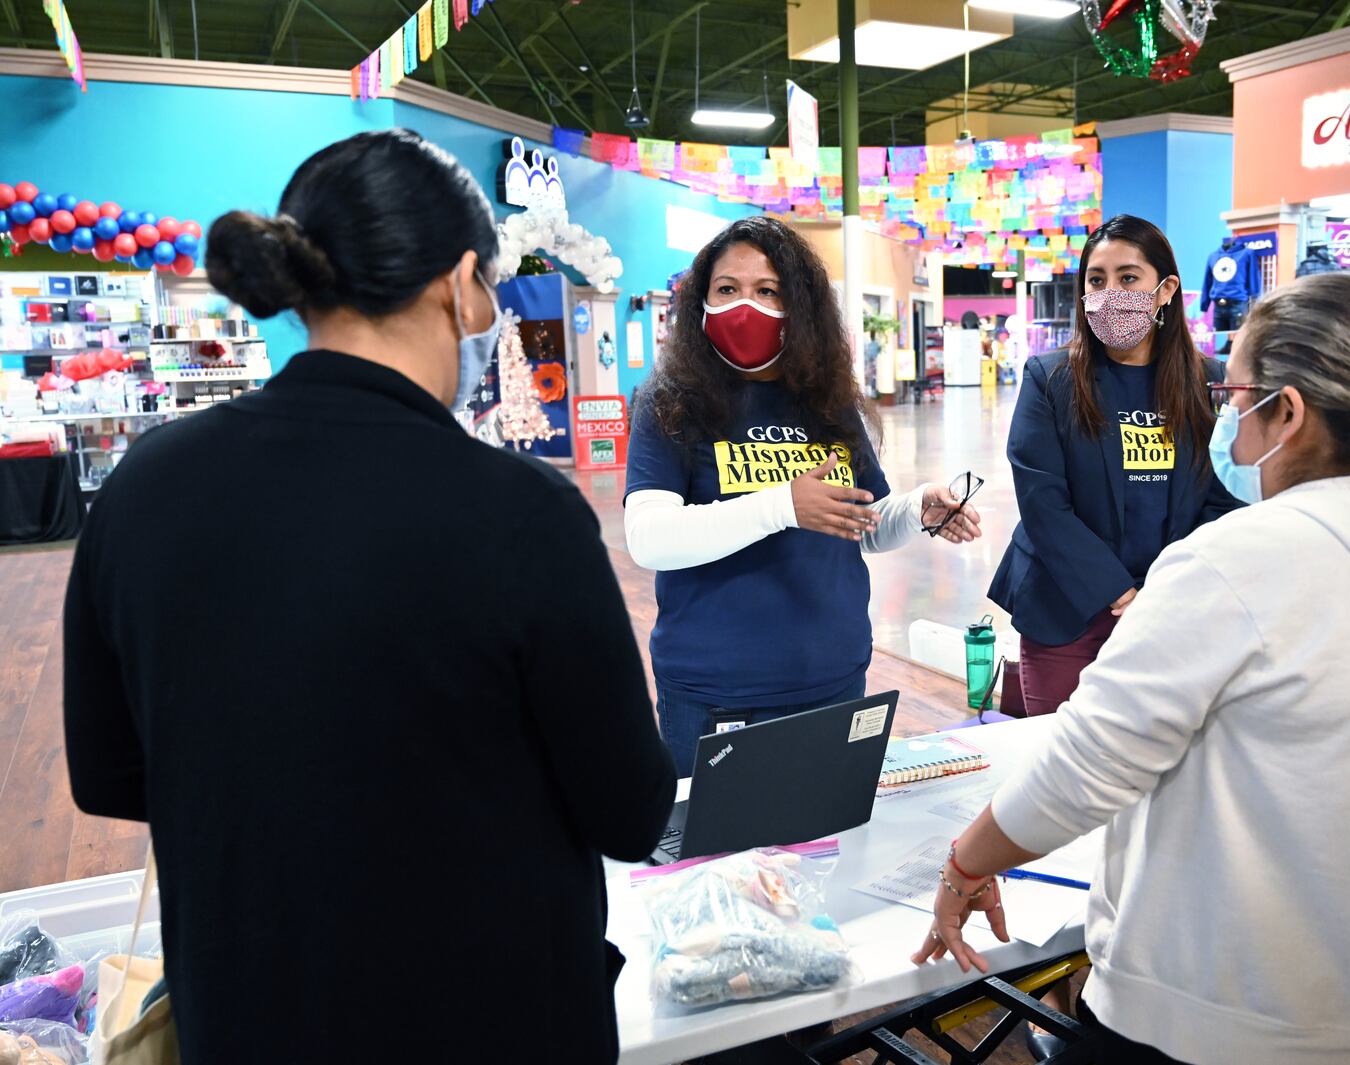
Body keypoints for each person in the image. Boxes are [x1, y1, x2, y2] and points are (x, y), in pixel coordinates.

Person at [62, 130, 676, 1064]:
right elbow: (632, 812)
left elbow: (109, 773)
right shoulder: (519, 512)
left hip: (247, 1009)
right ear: (461, 284)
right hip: (490, 1017)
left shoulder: (146, 486)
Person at [913, 272, 1350, 1065]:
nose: (1227, 422)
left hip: (1211, 1021)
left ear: (1290, 413)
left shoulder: (1239, 562)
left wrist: (967, 863)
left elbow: (1081, 769)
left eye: (1236, 394)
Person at [625, 215, 980, 775]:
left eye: (768, 290)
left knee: (834, 851)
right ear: (701, 303)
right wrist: (781, 505)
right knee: (723, 862)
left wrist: (914, 509)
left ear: (799, 306)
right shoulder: (671, 401)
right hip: (718, 692)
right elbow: (649, 539)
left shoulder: (825, 401)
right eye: (727, 289)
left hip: (832, 679)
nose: (746, 305)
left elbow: (862, 523)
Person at [989, 214, 1239, 719]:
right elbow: (1042, 501)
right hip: (1066, 609)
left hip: (1172, 612)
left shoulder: (1211, 381)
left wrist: (1163, 590)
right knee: (1055, 764)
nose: (1110, 292)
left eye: (1128, 278)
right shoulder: (1050, 377)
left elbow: (1225, 497)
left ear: (1165, 289)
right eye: (1096, 280)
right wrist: (1119, 591)